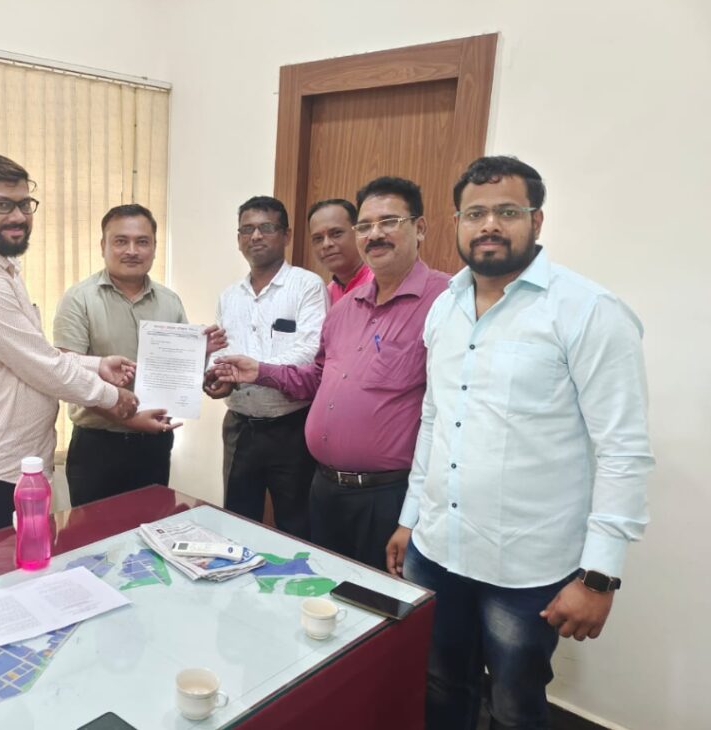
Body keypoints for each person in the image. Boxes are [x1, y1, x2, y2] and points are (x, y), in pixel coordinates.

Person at [386, 156, 654, 729]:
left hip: (528, 567)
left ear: (537, 220)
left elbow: (623, 451)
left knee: (515, 704)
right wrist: (410, 520)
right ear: (456, 223)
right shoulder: (445, 307)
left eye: (507, 212)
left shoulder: (588, 311)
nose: (489, 225)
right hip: (437, 549)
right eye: (475, 213)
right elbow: (434, 420)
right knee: (440, 685)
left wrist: (599, 575)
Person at [212, 178, 449, 569]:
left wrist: (414, 514)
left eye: (389, 222)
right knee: (320, 583)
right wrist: (259, 370)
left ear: (419, 228)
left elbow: (451, 410)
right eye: (365, 226)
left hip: (387, 494)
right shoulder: (343, 308)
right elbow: (315, 380)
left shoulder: (447, 301)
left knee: (377, 596)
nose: (375, 234)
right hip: (325, 488)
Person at [0, 152, 138, 542]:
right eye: (2, 205)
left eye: (24, 204)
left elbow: (31, 352)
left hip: (10, 466)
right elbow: (40, 366)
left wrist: (97, 365)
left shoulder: (0, 268)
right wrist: (112, 397)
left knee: (26, 566)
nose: (18, 216)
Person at [53, 203, 226, 506]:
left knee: (151, 526)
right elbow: (70, 378)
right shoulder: (79, 299)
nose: (132, 250)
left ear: (154, 247)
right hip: (97, 447)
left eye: (142, 241)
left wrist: (199, 355)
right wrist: (131, 419)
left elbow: (175, 372)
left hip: (154, 445)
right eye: (121, 241)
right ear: (103, 246)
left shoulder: (170, 301)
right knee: (95, 532)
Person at [204, 196, 327, 538]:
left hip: (291, 428)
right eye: (247, 229)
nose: (255, 236)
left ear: (286, 235)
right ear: (238, 239)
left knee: (297, 526)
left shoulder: (307, 286)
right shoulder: (229, 296)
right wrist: (216, 375)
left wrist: (256, 369)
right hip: (240, 428)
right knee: (236, 523)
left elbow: (311, 352)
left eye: (266, 227)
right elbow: (222, 351)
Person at [307, 199, 372, 305]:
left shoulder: (382, 284)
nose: (326, 244)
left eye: (336, 233)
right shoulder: (325, 297)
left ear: (359, 231)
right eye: (318, 238)